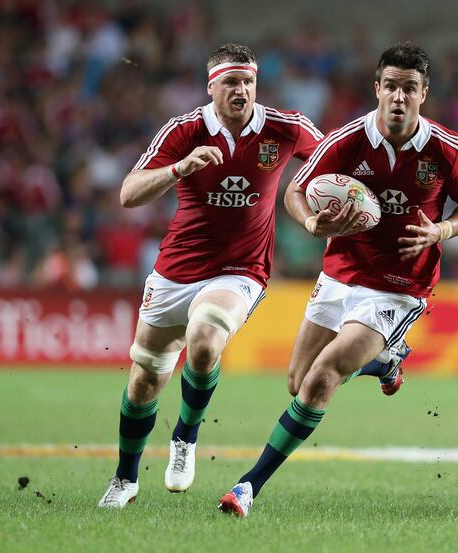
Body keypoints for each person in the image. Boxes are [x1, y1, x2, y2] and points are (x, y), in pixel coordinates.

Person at [217, 42, 458, 517]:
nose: (399, 97)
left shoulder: (449, 149)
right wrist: (309, 223)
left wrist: (441, 229)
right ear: (377, 88)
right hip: (340, 276)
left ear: (424, 93)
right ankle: (385, 364)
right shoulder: (345, 141)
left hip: (400, 287)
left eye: (410, 88)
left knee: (321, 379)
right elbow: (296, 191)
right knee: (298, 382)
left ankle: (247, 486)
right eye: (391, 87)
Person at [96, 43, 329, 508]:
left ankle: (185, 437)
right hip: (177, 268)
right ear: (211, 88)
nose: (240, 89)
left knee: (205, 340)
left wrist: (331, 204)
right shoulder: (184, 131)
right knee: (145, 378)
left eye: (247, 82)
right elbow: (128, 193)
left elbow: (335, 159)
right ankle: (125, 478)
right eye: (230, 82)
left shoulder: (286, 128)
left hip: (242, 269)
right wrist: (178, 168)